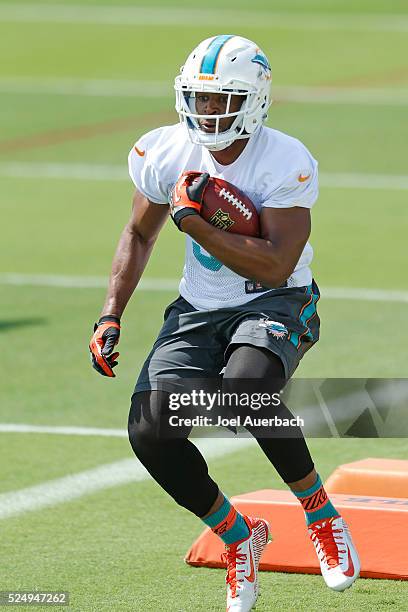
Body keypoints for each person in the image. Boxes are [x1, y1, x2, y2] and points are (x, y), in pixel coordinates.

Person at [89, 35, 360, 611]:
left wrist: (197, 224)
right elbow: (138, 234)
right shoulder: (166, 150)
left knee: (245, 390)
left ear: (256, 99)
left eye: (223, 101)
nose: (209, 113)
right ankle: (240, 536)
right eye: (200, 99)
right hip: (198, 306)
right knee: (149, 431)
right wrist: (111, 314)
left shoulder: (285, 158)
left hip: (277, 299)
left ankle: (320, 513)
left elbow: (276, 261)